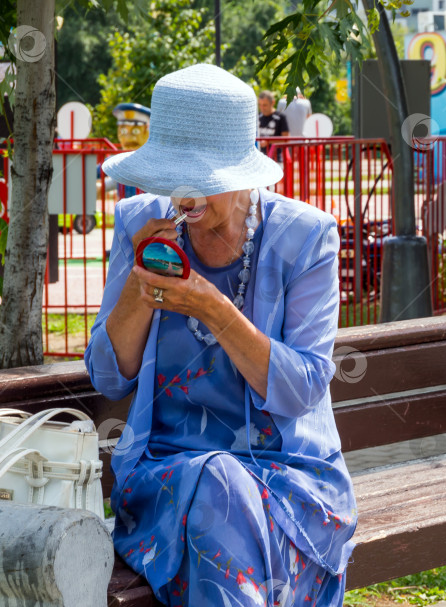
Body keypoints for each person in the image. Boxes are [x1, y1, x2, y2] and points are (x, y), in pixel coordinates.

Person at [85, 64, 356, 607]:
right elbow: (108, 376)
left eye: (200, 179)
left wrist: (214, 309)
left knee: (227, 494)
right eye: (172, 176)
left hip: (289, 478)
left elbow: (302, 388)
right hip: (167, 475)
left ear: (244, 174)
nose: (183, 194)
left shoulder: (305, 237)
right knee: (220, 487)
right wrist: (140, 288)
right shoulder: (140, 222)